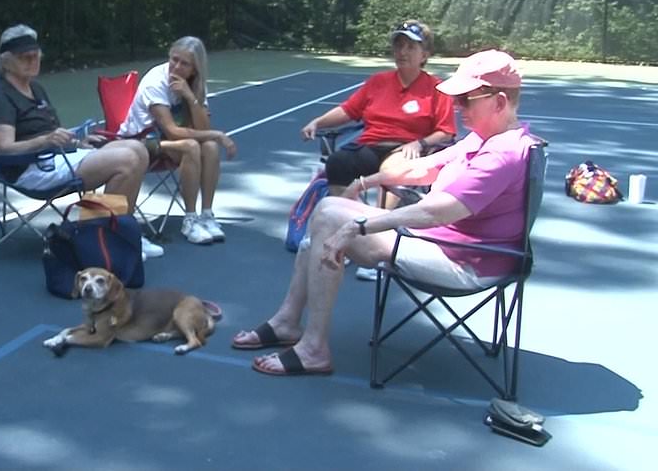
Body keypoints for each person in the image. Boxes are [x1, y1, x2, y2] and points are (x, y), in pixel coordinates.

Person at [236, 50, 532, 376]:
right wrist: (366, 181)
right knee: (328, 209)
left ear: (499, 102)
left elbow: (439, 211)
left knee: (333, 218)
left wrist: (362, 224)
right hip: (446, 245)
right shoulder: (482, 139)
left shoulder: (502, 154)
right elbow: (423, 169)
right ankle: (288, 322)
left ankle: (312, 347)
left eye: (466, 99)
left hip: (465, 262)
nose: (458, 107)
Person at [0, 25, 164, 259]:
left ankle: (122, 233)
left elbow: (51, 133)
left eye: (36, 55)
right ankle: (103, 240)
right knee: (127, 159)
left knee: (138, 149)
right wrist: (46, 140)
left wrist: (78, 142)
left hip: (58, 157)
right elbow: (6, 148)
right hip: (31, 168)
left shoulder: (35, 87)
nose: (33, 61)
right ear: (7, 61)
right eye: (25, 58)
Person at [300, 21, 456, 197]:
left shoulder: (437, 88)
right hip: (371, 147)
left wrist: (419, 144)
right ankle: (346, 214)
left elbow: (446, 132)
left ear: (424, 55)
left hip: (405, 149)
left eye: (411, 47)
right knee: (337, 162)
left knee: (392, 171)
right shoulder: (378, 81)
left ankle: (381, 221)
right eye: (399, 46)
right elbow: (349, 110)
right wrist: (317, 123)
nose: (403, 52)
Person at [117, 37, 237, 244]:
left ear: (195, 69)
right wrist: (218, 135)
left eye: (185, 63)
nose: (177, 67)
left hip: (167, 141)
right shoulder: (155, 82)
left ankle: (206, 215)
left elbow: (203, 129)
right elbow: (173, 131)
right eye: (174, 59)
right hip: (139, 142)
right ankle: (189, 220)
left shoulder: (195, 84)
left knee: (209, 147)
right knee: (192, 146)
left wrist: (191, 97)